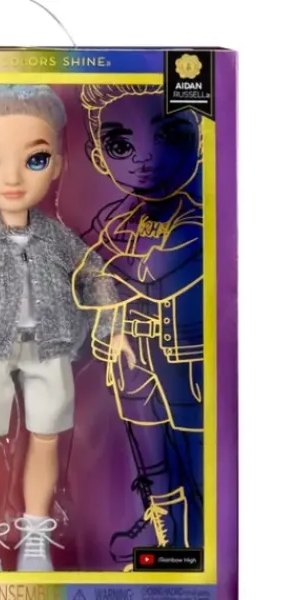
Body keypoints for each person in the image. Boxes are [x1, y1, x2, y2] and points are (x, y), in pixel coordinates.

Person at [0, 85, 134, 572]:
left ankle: (35, 537)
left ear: (57, 164)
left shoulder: (57, 238)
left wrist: (113, 329)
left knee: (47, 436)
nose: (12, 178)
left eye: (35, 159)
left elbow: (95, 274)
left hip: (51, 346)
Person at [75, 84, 204, 563]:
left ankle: (200, 544)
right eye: (121, 145)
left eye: (169, 136)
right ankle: (167, 540)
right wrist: (113, 314)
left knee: (195, 455)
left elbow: (158, 280)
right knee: (150, 459)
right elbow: (82, 282)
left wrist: (108, 267)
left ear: (200, 143)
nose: (145, 158)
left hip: (182, 358)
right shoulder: (117, 217)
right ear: (98, 156)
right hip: (128, 350)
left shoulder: (197, 218)